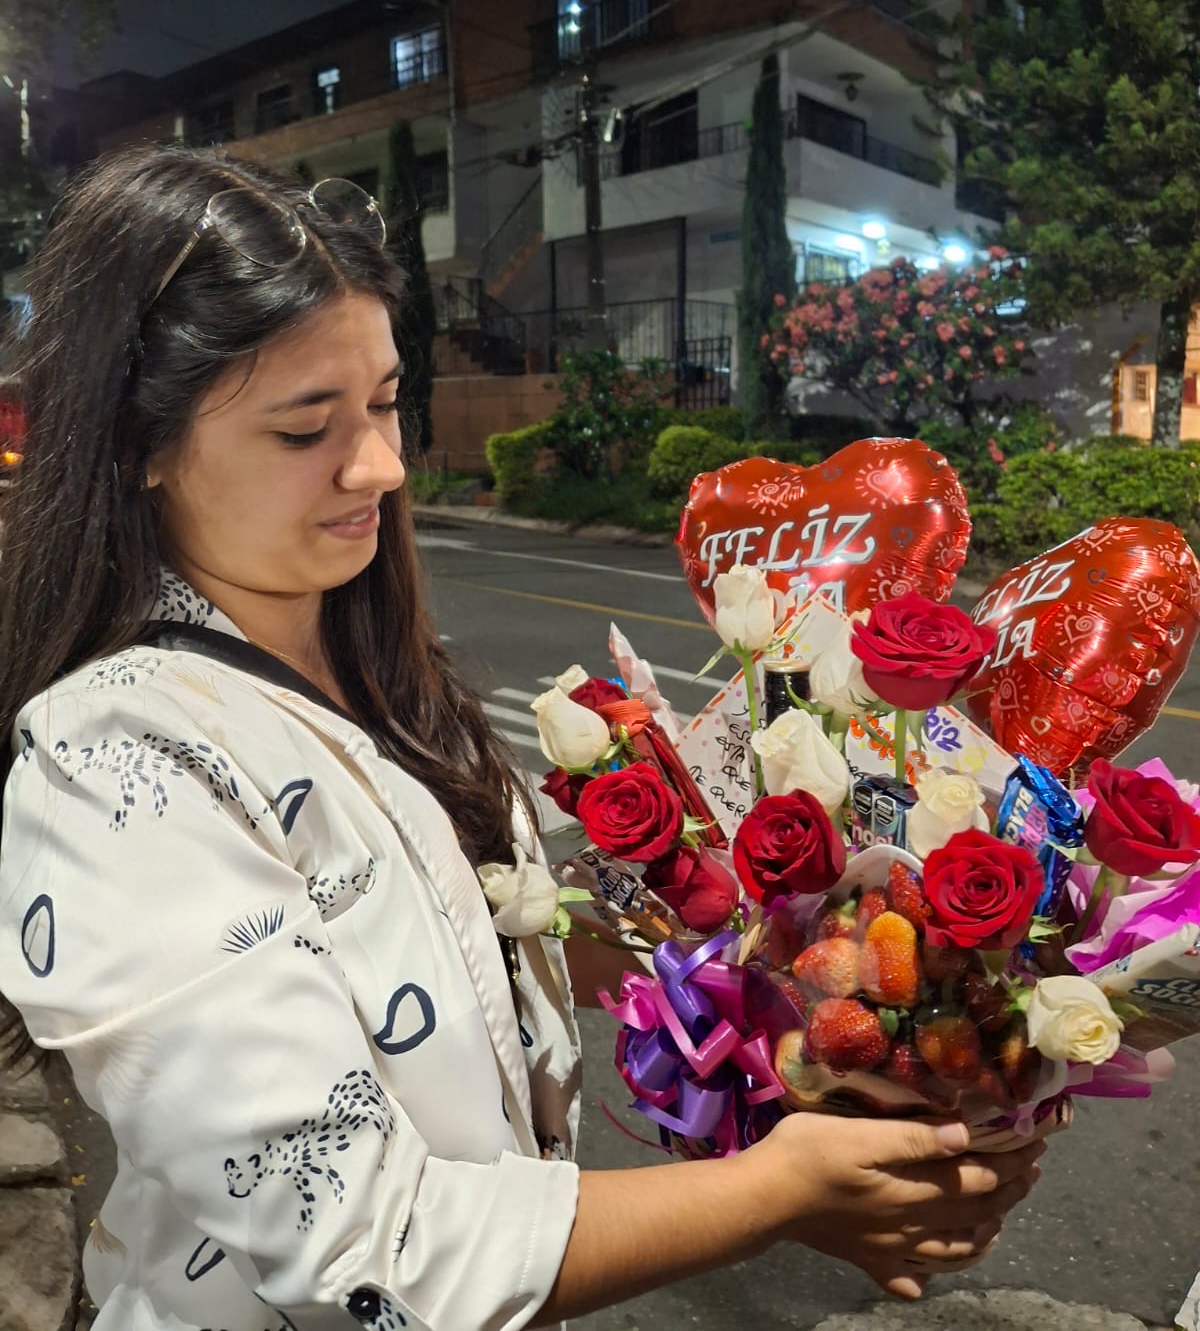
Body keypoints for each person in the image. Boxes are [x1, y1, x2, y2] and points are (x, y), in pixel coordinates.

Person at [0, 145, 1043, 1331]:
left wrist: (789, 956)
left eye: (388, 400)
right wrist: (774, 1192)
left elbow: (465, 935)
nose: (382, 467)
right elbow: (369, 1254)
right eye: (306, 430)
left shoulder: (362, 655)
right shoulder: (115, 761)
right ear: (136, 445)